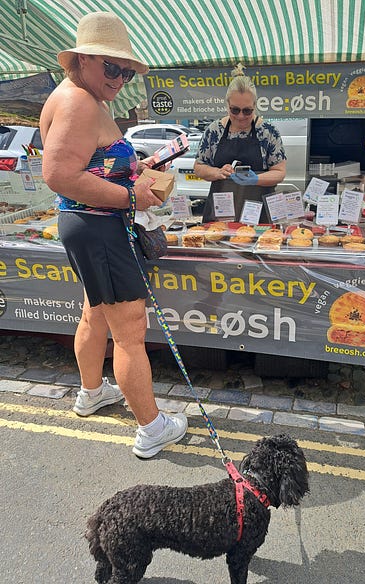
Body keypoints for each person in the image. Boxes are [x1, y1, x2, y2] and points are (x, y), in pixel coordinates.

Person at [39, 11, 187, 459]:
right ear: (82, 60)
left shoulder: (80, 97)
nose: (120, 78)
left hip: (88, 228)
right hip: (100, 228)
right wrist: (132, 197)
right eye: (111, 67)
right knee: (129, 332)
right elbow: (59, 174)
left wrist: (135, 169)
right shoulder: (79, 102)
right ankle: (151, 427)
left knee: (95, 314)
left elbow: (89, 164)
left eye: (125, 70)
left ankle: (91, 393)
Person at [194, 64, 287, 224]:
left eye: (247, 110)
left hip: (259, 214)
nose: (241, 116)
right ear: (227, 105)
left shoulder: (268, 132)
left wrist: (256, 179)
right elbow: (199, 167)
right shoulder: (214, 130)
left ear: (255, 106)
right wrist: (217, 173)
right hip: (220, 214)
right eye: (235, 110)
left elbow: (279, 172)